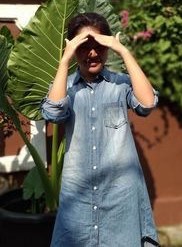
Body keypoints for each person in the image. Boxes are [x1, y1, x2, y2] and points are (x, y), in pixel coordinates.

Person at [40, 12, 160, 247]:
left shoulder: (121, 84)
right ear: (74, 49)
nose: (92, 54)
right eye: (84, 47)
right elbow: (53, 113)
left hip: (121, 199)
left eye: (98, 46)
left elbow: (146, 104)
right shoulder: (64, 87)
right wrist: (64, 61)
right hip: (78, 199)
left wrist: (123, 51)